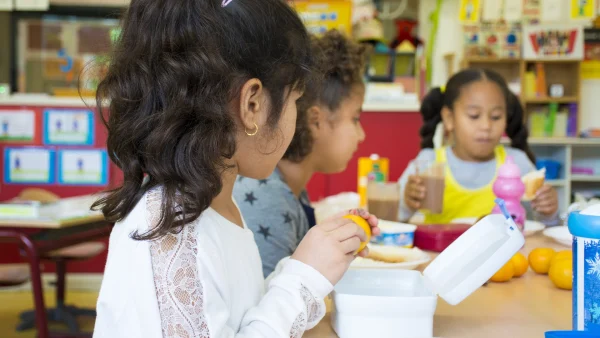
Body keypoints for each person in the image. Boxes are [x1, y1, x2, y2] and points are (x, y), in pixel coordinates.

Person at [91, 1, 379, 337]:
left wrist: (315, 259)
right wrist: (304, 276)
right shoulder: (171, 226)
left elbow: (239, 319)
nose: (296, 116)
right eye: (295, 101)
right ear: (252, 105)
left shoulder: (217, 202)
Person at [234, 29, 369, 277]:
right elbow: (270, 303)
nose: (362, 135)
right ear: (315, 121)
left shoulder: (290, 189)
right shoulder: (269, 198)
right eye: (356, 119)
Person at [399, 68, 559, 225]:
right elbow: (393, 220)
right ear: (449, 118)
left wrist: (548, 212)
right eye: (474, 116)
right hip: (441, 251)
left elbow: (535, 223)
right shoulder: (428, 162)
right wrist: (407, 202)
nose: (486, 126)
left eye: (496, 117)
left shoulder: (516, 163)